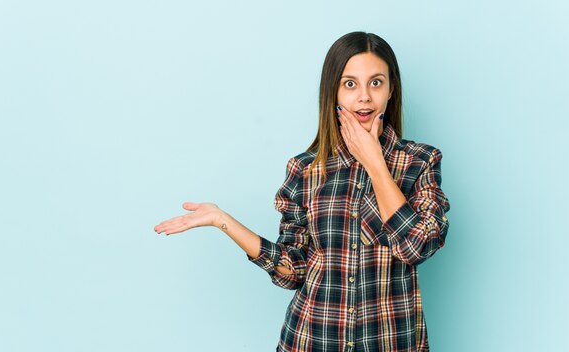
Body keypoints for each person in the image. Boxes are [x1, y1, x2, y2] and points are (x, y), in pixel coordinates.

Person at [154, 31, 451, 352]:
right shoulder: (305, 170)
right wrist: (222, 220)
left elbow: (417, 247)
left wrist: (375, 163)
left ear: (391, 88)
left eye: (375, 82)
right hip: (311, 340)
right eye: (349, 84)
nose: (364, 96)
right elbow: (293, 271)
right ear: (333, 91)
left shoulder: (420, 161)